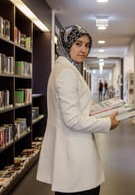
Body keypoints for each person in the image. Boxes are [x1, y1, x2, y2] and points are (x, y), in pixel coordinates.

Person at [36, 25, 120, 195]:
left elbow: (75, 108)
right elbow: (73, 119)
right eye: (78, 44)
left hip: (71, 150)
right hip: (75, 152)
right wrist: (106, 123)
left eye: (87, 45)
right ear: (66, 44)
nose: (84, 50)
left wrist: (101, 109)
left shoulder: (63, 68)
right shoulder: (67, 73)